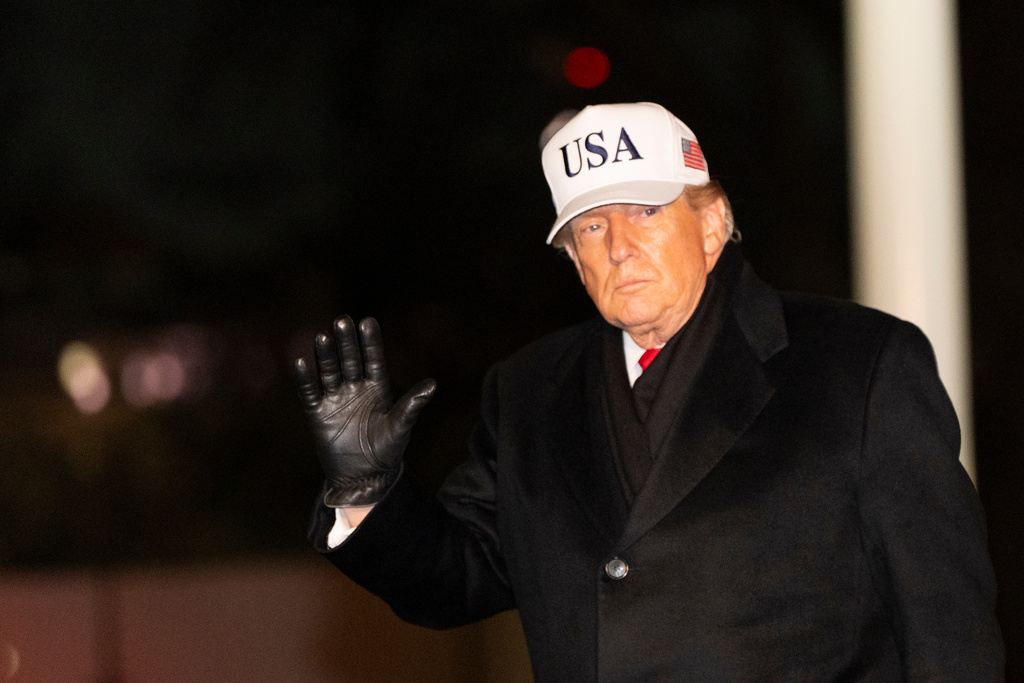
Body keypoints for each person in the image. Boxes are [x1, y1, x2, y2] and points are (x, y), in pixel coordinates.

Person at [294, 102, 1003, 681]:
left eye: (646, 212)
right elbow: (456, 576)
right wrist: (367, 493)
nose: (618, 246)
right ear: (573, 259)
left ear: (713, 223)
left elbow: (948, 631)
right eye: (591, 226)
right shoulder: (529, 394)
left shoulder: (860, 365)